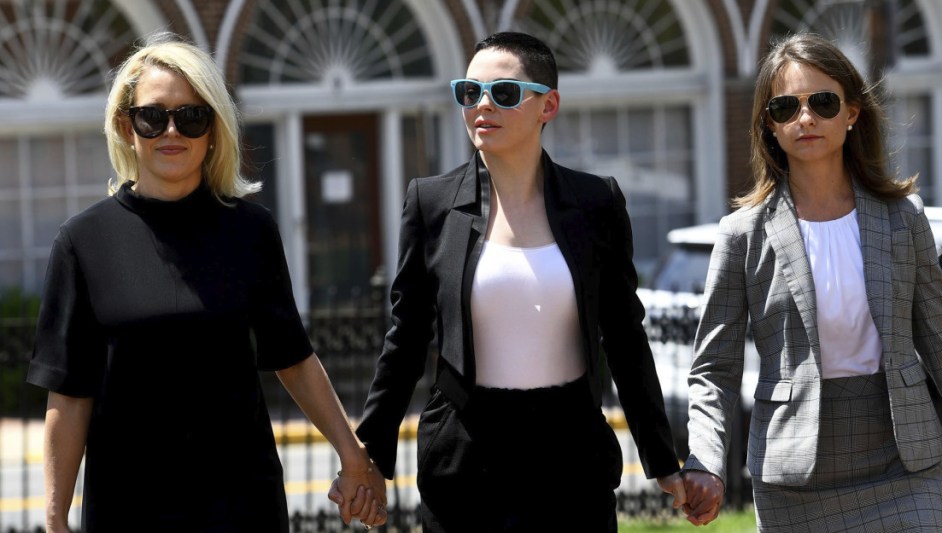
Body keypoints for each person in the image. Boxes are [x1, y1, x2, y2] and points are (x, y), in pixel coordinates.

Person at [27, 35, 387, 532]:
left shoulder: (251, 231)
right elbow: (68, 394)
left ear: (214, 129)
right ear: (125, 126)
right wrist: (53, 516)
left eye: (191, 116)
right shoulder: (83, 241)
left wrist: (353, 455)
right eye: (153, 117)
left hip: (240, 501)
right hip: (127, 505)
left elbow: (294, 359)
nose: (171, 131)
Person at [682, 32, 942, 531]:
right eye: (785, 107)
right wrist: (705, 461)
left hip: (903, 464)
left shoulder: (902, 219)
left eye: (822, 102)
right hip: (793, 479)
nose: (805, 119)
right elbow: (713, 367)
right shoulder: (743, 235)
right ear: (769, 126)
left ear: (852, 113)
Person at [351, 31, 686, 532]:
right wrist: (370, 456)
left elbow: (624, 336)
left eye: (504, 93)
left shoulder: (596, 202)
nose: (482, 105)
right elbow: (405, 342)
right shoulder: (431, 202)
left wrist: (662, 459)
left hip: (571, 453)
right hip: (464, 454)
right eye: (469, 92)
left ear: (547, 105)